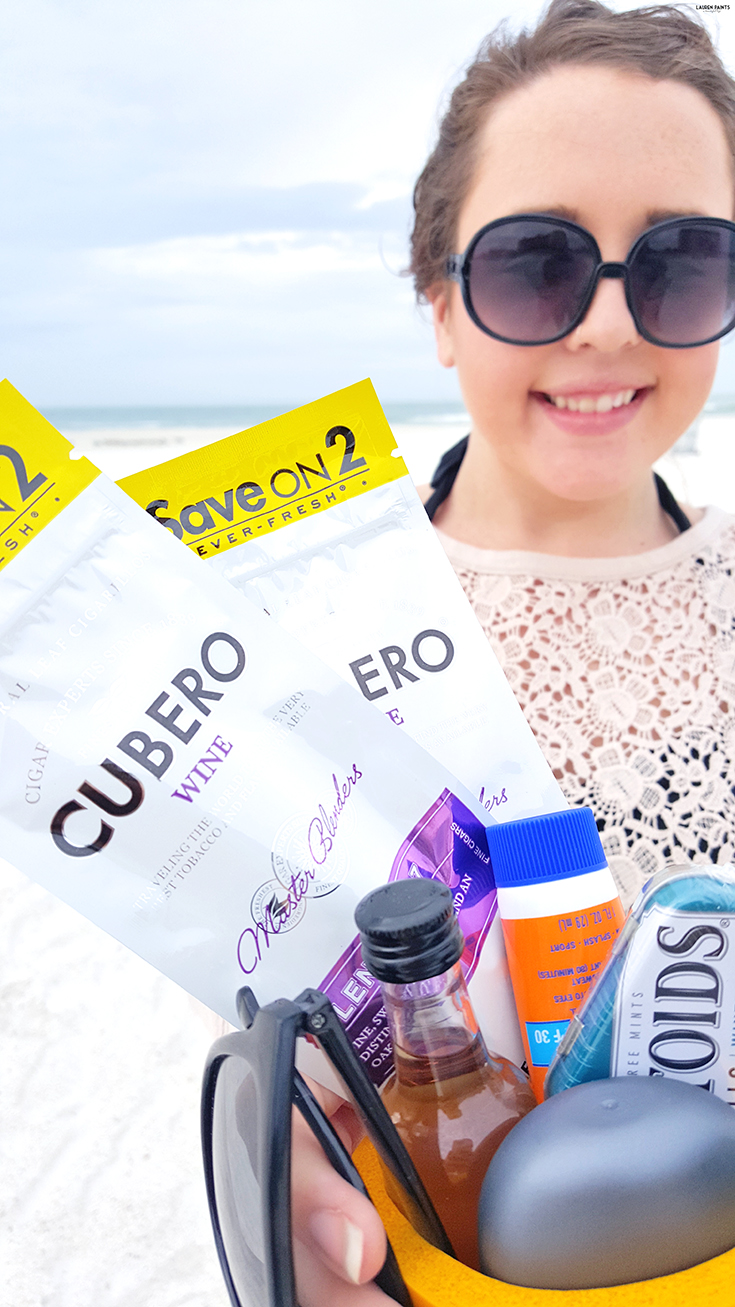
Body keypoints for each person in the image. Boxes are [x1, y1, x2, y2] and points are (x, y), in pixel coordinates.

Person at [290, 1, 735, 1302]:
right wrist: (289, 1164)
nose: (608, 326)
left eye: (682, 261)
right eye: (537, 263)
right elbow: (267, 1028)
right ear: (440, 304)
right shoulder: (313, 635)